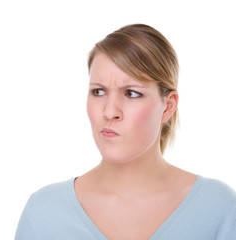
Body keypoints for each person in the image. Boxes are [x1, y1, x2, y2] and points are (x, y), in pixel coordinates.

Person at [14, 24, 236, 240]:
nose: (109, 111)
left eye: (131, 93)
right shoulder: (44, 213)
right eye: (98, 91)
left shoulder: (218, 209)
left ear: (168, 106)